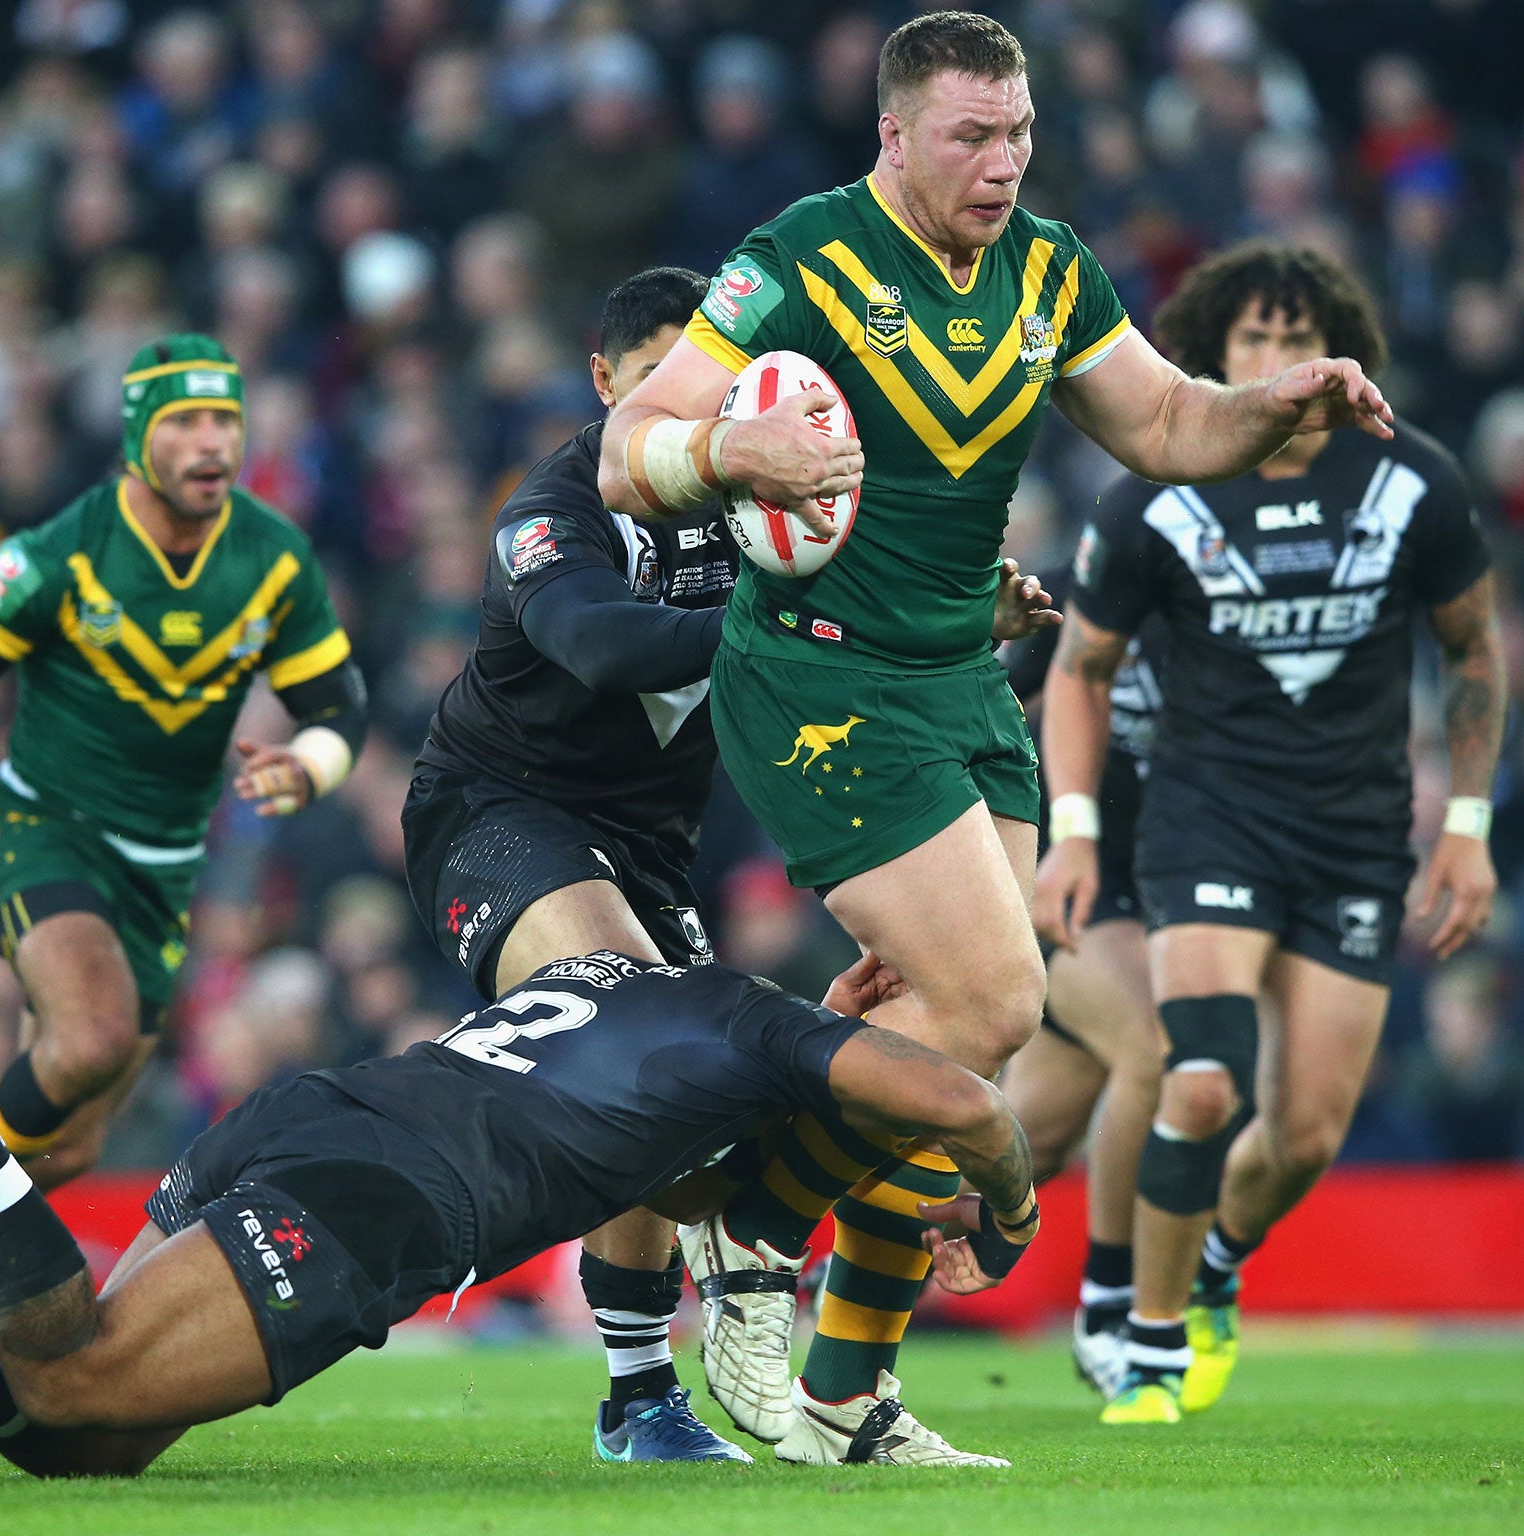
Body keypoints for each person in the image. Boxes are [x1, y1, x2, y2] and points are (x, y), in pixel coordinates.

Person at [593, 10, 1392, 1462]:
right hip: (821, 679)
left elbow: (1162, 424)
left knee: (953, 1047)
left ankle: (847, 1393)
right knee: (993, 1003)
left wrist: (1269, 406)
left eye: (1019, 130)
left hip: (966, 681)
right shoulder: (801, 255)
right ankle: (754, 1231)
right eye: (973, 134)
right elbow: (625, 446)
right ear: (893, 133)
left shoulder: (1048, 268)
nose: (1005, 161)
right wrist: (720, 452)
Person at [404, 266, 1057, 1462]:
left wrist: (970, 627)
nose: (692, 420)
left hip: (652, 845)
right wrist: (786, 627)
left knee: (711, 1101)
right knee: (637, 1033)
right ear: (604, 385)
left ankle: (825, 1372)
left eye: (711, 388)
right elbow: (598, 645)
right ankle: (638, 1396)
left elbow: (874, 651)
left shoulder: (776, 501)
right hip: (496, 811)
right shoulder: (549, 508)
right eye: (657, 383)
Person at [0, 954, 1044, 1471]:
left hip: (305, 1117)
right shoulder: (764, 1034)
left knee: (83, 1441)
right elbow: (969, 1104)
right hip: (392, 1200)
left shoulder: (632, 984)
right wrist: (1012, 1212)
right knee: (89, 1380)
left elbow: (655, 1172)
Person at [0, 332, 366, 1420]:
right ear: (136, 438)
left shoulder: (270, 559)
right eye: (183, 422)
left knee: (68, 1137)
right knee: (80, 1040)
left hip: (165, 873)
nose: (210, 440)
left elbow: (338, 705)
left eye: (224, 419)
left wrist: (306, 768)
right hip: (41, 829)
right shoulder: (61, 555)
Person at [1033, 241, 1504, 1424]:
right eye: (1253, 338)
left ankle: (1212, 1264)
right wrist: (1075, 831)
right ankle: (1142, 1347)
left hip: (1350, 837)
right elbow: (1078, 670)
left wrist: (1465, 824)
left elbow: (1471, 654)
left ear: (1342, 349)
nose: (1280, 360)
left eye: (1300, 337)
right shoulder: (1154, 489)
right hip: (1205, 826)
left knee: (1300, 1137)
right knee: (1196, 1083)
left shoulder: (1410, 480)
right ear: (1207, 354)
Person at [998, 597, 1167, 1399]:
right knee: (1154, 1051)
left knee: (1019, 1150)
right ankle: (1111, 1304)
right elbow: (1000, 706)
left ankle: (850, 1259)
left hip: (1169, 896)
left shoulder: (1232, 606)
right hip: (1078, 886)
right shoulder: (1088, 593)